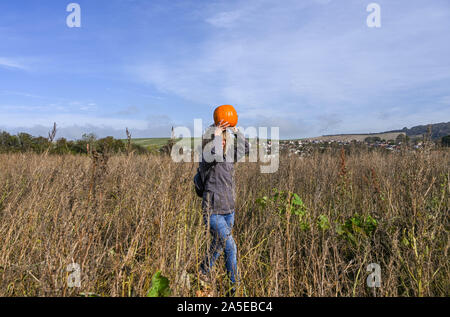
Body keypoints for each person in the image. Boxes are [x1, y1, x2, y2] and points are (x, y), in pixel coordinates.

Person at [198, 120, 249, 297]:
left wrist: (237, 132)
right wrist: (217, 135)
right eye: (219, 139)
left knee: (219, 246)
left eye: (224, 140)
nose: (223, 142)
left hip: (229, 210)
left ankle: (202, 271)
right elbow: (215, 153)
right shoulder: (207, 156)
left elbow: (244, 150)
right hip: (212, 211)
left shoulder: (228, 156)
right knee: (231, 248)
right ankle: (233, 289)